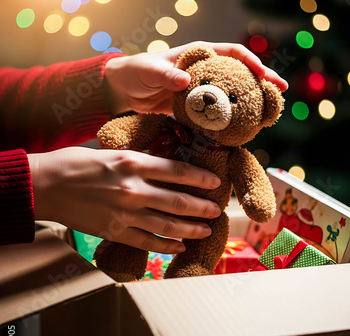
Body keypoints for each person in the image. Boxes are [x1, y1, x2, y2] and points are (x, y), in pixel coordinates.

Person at [0, 41, 287, 252]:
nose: (210, 96)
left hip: (206, 221)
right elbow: (120, 133)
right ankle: (122, 257)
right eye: (206, 82)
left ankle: (194, 266)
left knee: (202, 241)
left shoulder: (235, 156)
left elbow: (257, 195)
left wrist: (107, 88)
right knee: (128, 234)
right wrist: (36, 184)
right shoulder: (165, 127)